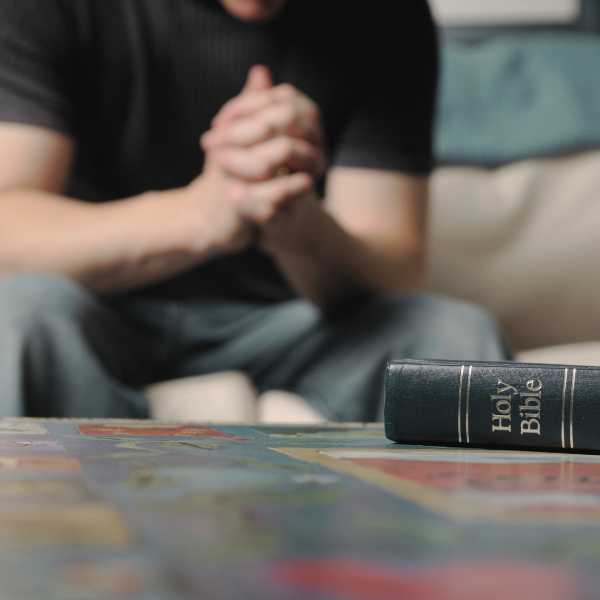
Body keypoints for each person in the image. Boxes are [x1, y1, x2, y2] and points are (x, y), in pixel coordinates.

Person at [0, 0, 509, 421]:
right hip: (99, 310)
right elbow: (10, 231)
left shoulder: (386, 15)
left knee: (451, 335)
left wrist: (299, 226)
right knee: (16, 315)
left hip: (289, 322)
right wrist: (202, 216)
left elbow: (394, 269)